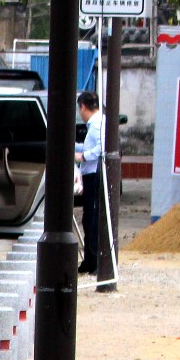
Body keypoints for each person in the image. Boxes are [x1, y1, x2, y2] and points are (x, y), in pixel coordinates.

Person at [74, 91, 105, 278]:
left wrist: (83, 156)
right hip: (90, 173)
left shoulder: (96, 124)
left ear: (83, 107)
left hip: (94, 174)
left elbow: (101, 149)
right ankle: (88, 260)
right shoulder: (95, 124)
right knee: (88, 217)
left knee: (92, 218)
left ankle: (93, 260)